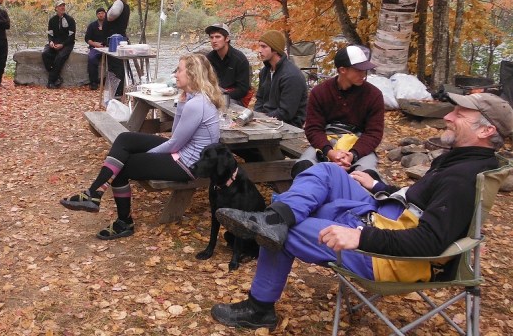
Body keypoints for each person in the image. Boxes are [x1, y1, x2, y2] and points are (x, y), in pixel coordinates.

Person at [210, 93, 512, 329]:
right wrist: (380, 185)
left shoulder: (462, 178)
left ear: (486, 129)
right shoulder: (461, 160)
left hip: (390, 256)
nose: (448, 116)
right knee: (327, 171)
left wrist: (361, 238)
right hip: (384, 216)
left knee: (287, 230)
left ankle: (259, 307)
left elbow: (429, 243)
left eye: (459, 114)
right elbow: (423, 203)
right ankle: (275, 217)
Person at [60, 53, 223, 239]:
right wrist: (181, 103)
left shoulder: (198, 104)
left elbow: (175, 143)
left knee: (123, 167)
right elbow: (176, 135)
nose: (175, 74)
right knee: (125, 138)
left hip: (189, 164)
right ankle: (93, 194)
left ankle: (123, 222)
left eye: (179, 70)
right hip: (182, 152)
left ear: (192, 74)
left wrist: (150, 154)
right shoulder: (193, 99)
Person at [291, 45, 384, 179]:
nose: (363, 74)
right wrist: (329, 152)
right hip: (325, 143)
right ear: (342, 70)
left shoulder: (373, 95)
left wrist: (353, 155)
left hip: (359, 145)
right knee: (304, 169)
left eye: (365, 70)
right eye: (359, 70)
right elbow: (314, 128)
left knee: (367, 176)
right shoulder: (320, 92)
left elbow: (373, 133)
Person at [252, 30, 307, 127]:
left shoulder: (291, 76)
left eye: (264, 46)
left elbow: (286, 112)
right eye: (260, 46)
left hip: (289, 126)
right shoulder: (265, 72)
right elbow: (260, 100)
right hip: (267, 121)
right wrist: (256, 116)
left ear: (275, 49)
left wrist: (262, 119)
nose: (259, 50)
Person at [205, 23, 253, 107]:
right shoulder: (209, 58)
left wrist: (223, 95)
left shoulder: (239, 59)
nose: (214, 40)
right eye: (211, 37)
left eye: (218, 37)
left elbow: (243, 90)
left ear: (227, 38)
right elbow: (205, 81)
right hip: (215, 95)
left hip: (235, 99)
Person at [42, 0, 76, 89]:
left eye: (63, 6)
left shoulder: (70, 20)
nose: (62, 7)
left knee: (60, 57)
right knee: (45, 54)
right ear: (56, 8)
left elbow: (71, 36)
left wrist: (63, 45)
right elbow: (50, 34)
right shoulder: (52, 20)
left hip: (67, 43)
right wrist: (51, 42)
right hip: (55, 43)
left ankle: (51, 81)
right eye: (60, 6)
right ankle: (56, 76)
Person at [103, 0, 130, 96]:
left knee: (116, 67)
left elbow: (111, 15)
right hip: (118, 40)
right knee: (117, 66)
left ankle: (117, 94)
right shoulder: (125, 5)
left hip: (116, 41)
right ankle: (116, 93)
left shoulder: (118, 4)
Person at [85, 7, 107, 90]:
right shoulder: (92, 25)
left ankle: (109, 81)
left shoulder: (110, 24)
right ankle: (93, 82)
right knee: (91, 58)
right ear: (97, 15)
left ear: (105, 13)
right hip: (95, 47)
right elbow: (87, 39)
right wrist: (95, 44)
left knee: (114, 59)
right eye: (99, 13)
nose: (101, 15)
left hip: (107, 47)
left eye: (102, 13)